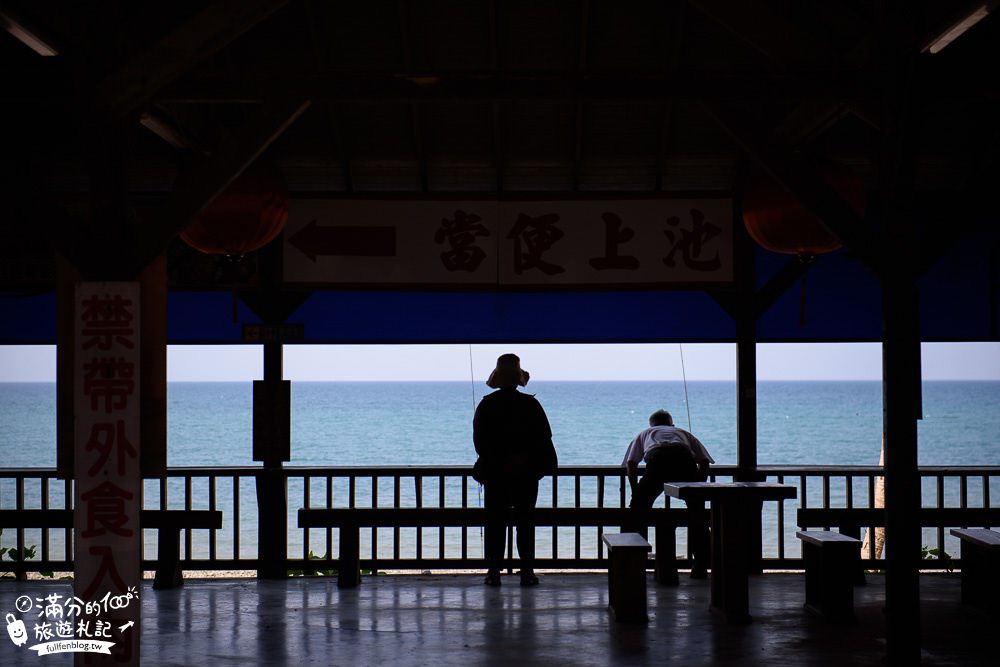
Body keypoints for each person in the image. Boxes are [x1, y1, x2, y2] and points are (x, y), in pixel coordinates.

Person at [473, 353, 557, 587]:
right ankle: (527, 572)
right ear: (519, 378)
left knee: (495, 523)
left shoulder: (487, 404)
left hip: (495, 474)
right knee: (525, 522)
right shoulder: (530, 404)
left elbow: (479, 442)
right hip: (526, 474)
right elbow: (544, 439)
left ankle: (493, 572)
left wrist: (499, 460)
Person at [622, 409, 713, 578]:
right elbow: (705, 461)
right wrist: (699, 484)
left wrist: (636, 491)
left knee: (638, 511)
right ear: (672, 424)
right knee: (697, 514)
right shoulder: (683, 433)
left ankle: (635, 561)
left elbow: (631, 463)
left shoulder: (645, 433)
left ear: (652, 425)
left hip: (658, 460)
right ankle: (701, 563)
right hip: (684, 460)